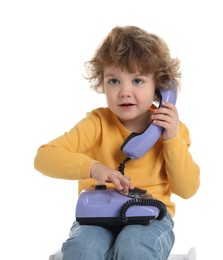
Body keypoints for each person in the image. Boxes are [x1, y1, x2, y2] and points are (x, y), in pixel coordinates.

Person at [34, 25, 200, 260]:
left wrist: (171, 139)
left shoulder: (172, 130)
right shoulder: (97, 122)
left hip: (151, 218)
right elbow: (44, 157)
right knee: (84, 249)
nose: (124, 91)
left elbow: (188, 189)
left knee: (133, 247)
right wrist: (93, 168)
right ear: (102, 83)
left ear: (160, 88)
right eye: (114, 81)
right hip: (97, 217)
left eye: (138, 81)